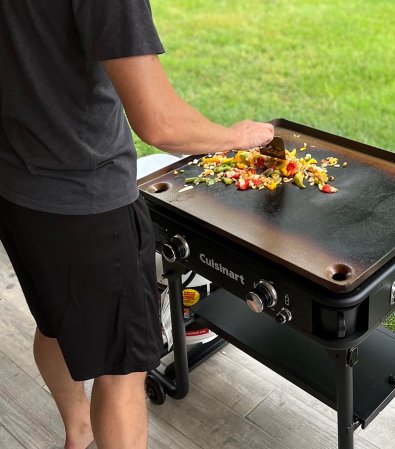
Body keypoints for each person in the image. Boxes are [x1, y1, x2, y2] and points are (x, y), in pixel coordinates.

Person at [0, 1, 274, 448]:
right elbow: (158, 121)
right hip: (87, 205)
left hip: (16, 189)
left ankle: (78, 433)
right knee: (123, 368)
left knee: (54, 323)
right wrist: (236, 136)